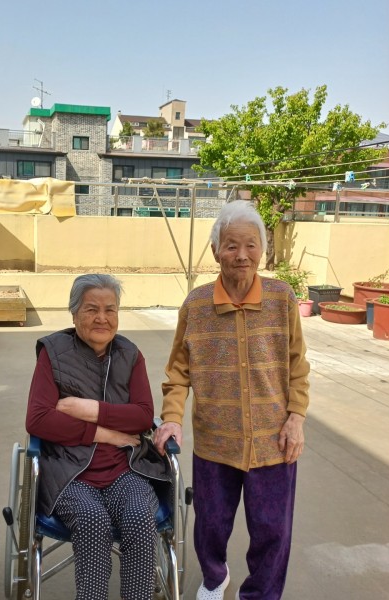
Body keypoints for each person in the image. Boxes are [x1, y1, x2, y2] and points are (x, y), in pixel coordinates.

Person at [154, 201, 310, 600]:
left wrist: (296, 417)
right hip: (215, 441)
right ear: (215, 250)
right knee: (210, 525)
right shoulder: (196, 305)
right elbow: (178, 372)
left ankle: (260, 594)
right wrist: (171, 418)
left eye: (251, 245)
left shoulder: (281, 298)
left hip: (273, 442)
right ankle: (214, 578)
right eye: (231, 245)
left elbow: (297, 364)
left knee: (272, 530)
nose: (242, 255)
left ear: (263, 250)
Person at [25, 273, 171, 600]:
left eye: (110, 309)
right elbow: (38, 419)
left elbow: (142, 415)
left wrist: (88, 409)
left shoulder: (130, 354)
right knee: (93, 522)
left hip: (125, 469)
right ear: (74, 313)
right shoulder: (53, 352)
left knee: (139, 518)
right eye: (91, 309)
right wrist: (104, 433)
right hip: (69, 472)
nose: (102, 318)